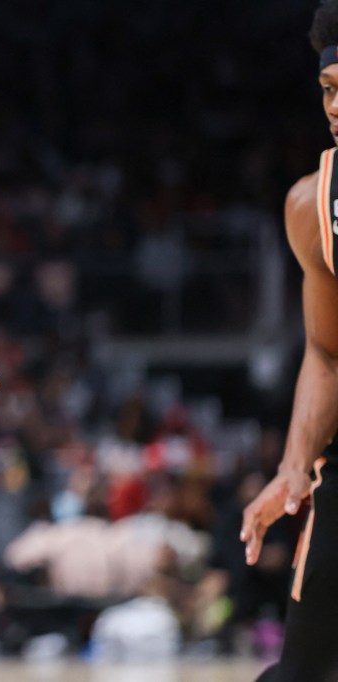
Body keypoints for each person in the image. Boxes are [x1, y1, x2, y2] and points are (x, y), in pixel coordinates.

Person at [241, 3, 338, 679]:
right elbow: (328, 352)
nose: (336, 106)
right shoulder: (314, 203)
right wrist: (294, 465)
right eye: (329, 88)